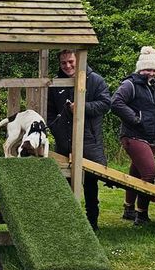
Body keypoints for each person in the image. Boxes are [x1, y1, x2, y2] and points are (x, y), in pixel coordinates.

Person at [46, 49, 112, 230]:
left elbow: (106, 103)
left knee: (90, 183)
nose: (67, 66)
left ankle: (92, 222)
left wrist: (82, 107)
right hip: (63, 140)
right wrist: (55, 128)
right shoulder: (55, 83)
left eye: (71, 62)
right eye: (63, 63)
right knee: (64, 183)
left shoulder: (95, 80)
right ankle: (67, 221)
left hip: (89, 140)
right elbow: (49, 111)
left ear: (79, 60)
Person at [110, 46, 155, 227]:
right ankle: (141, 216)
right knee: (149, 174)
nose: (150, 73)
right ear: (140, 68)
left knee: (136, 172)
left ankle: (128, 208)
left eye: (154, 70)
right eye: (147, 69)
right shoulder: (130, 85)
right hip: (133, 135)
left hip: (151, 136)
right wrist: (135, 118)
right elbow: (116, 103)